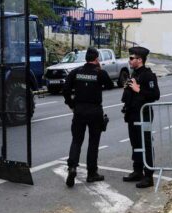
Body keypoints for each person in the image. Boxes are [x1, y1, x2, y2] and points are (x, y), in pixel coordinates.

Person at [63, 47, 114, 187]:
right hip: (95, 111)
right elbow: (110, 85)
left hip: (79, 110)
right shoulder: (100, 73)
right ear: (97, 59)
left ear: (86, 58)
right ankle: (92, 173)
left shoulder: (76, 72)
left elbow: (65, 89)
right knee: (93, 143)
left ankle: (72, 167)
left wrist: (71, 104)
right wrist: (100, 69)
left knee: (76, 141)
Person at [121, 46, 160, 188]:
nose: (130, 60)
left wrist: (139, 89)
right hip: (132, 114)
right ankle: (137, 171)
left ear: (140, 59)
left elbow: (155, 95)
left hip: (144, 114)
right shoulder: (134, 73)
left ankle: (148, 176)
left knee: (146, 144)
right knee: (135, 143)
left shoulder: (148, 75)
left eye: (132, 58)